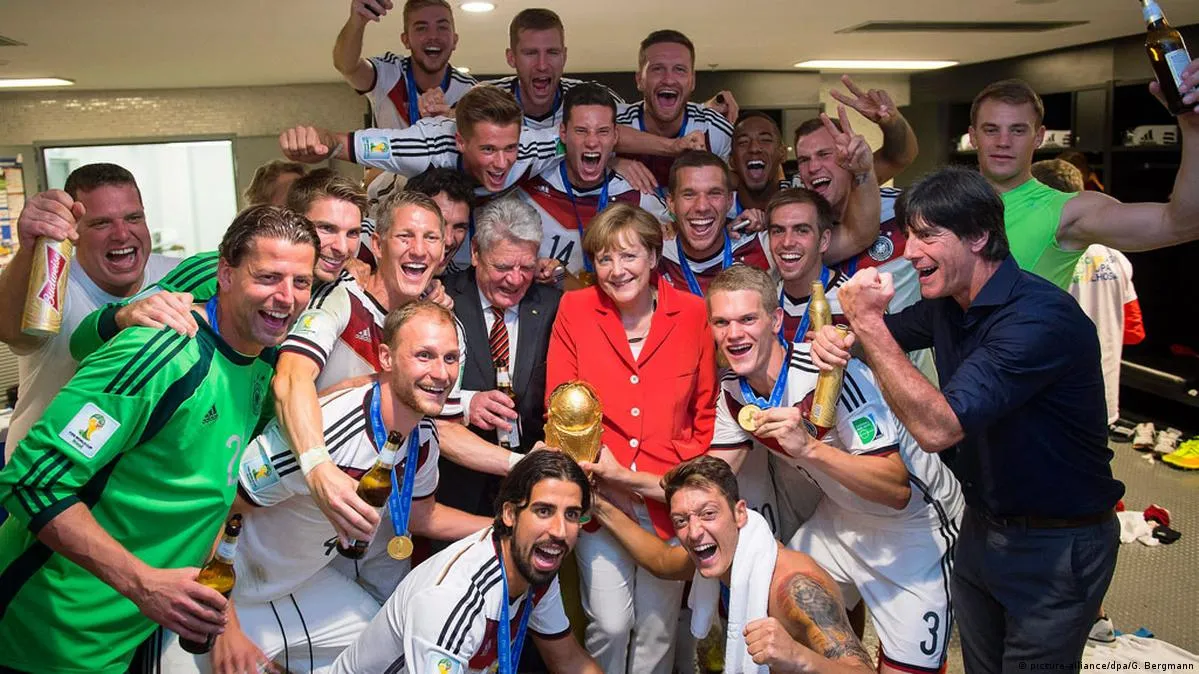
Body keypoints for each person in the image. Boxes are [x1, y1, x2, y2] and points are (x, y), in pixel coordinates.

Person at [810, 166, 1124, 670]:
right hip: (984, 527)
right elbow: (877, 340)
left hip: (1056, 544)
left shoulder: (1038, 319)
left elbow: (938, 427)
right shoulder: (950, 303)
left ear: (979, 236)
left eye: (928, 235)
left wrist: (865, 324)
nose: (910, 252)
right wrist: (841, 336)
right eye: (908, 234)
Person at [0, 205, 318, 674]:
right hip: (45, 640)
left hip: (132, 638)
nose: (286, 297)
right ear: (224, 275)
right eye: (268, 277)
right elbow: (31, 481)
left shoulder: (259, 365)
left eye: (301, 282)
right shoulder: (162, 351)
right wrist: (144, 584)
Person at [158, 301, 491, 674]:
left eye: (450, 358)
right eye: (424, 356)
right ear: (386, 357)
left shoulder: (424, 435)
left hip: (299, 585)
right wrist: (226, 624)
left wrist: (502, 527)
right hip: (229, 589)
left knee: (388, 653)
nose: (441, 373)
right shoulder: (330, 427)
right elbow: (220, 506)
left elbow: (420, 514)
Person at [705, 265, 962, 673]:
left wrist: (808, 448)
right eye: (722, 322)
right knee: (774, 618)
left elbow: (897, 488)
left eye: (747, 319)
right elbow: (710, 476)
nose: (734, 334)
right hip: (840, 521)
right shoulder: (735, 392)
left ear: (775, 321)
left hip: (914, 529)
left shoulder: (830, 368)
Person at [546, 202, 716, 674]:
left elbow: (704, 413)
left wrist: (672, 479)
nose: (616, 270)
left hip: (668, 497)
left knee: (659, 629)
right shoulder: (575, 309)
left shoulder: (693, 313)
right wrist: (598, 470)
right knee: (611, 622)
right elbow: (560, 401)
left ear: (653, 257)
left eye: (628, 256)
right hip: (602, 497)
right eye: (603, 259)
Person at [592, 456, 875, 674]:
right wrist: (596, 504)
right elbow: (661, 561)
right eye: (681, 520)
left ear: (739, 513)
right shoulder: (719, 552)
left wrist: (798, 657)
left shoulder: (796, 588)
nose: (694, 531)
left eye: (708, 514)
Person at [66, 168, 368, 370]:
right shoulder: (214, 270)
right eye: (326, 228)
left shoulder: (340, 284)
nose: (342, 247)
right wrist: (122, 316)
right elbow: (82, 344)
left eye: (352, 233)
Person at [330, 451, 602, 674]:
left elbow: (569, 661)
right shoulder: (455, 600)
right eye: (544, 511)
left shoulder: (534, 561)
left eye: (571, 515)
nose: (559, 530)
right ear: (509, 514)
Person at [0, 163, 180, 456]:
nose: (122, 234)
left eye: (133, 217)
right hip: (45, 478)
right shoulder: (55, 283)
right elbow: (11, 330)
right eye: (101, 223)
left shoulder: (176, 276)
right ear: (75, 231)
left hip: (125, 481)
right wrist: (28, 248)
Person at [967, 70, 1199, 289]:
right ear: (973, 136)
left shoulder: (1065, 212)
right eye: (991, 130)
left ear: (1038, 137)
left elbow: (1181, 223)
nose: (1003, 142)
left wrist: (1193, 128)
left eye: (1018, 130)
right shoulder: (938, 205)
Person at [278, 85, 703, 202]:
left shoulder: (535, 147)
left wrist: (627, 154)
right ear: (460, 140)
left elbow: (588, 135)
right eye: (487, 150)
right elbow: (349, 144)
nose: (501, 163)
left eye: (509, 148)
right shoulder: (424, 147)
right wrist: (317, 142)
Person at [442, 197, 561, 518]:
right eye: (503, 267)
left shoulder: (553, 305)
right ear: (477, 252)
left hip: (532, 488)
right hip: (455, 488)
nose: (515, 279)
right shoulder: (441, 299)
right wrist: (467, 403)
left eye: (526, 267)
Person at [1032, 159, 1146, 428]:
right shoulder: (1115, 257)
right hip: (1100, 399)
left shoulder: (1036, 256)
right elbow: (1134, 331)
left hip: (1050, 401)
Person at [518, 82, 671, 282]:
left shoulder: (637, 193)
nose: (592, 142)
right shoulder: (529, 190)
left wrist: (673, 227)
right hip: (545, 310)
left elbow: (673, 237)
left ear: (616, 135)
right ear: (563, 133)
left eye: (603, 131)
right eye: (581, 131)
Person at [615, 30, 736, 189]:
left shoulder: (715, 130)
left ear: (692, 81)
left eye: (679, 69)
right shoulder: (615, 121)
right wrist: (611, 163)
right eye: (657, 69)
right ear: (639, 80)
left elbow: (737, 186)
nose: (669, 80)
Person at [333, 0, 476, 130]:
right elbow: (346, 66)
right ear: (405, 40)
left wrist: (451, 117)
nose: (433, 36)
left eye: (442, 27)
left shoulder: (469, 90)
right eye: (421, 28)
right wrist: (357, 21)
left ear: (455, 40)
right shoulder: (388, 72)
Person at [480, 8, 624, 130]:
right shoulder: (485, 98)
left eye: (552, 52)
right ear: (511, 58)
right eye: (531, 53)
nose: (542, 65)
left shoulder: (596, 98)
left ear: (564, 56)